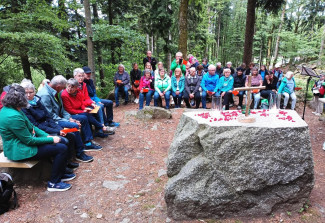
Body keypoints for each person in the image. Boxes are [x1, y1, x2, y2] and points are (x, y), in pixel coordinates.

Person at [0, 85, 72, 192]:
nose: (28, 97)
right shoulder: (13, 116)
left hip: (23, 145)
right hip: (19, 150)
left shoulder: (13, 109)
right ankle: (53, 183)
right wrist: (51, 139)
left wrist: (47, 136)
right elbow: (29, 140)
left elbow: (32, 127)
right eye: (25, 95)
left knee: (60, 144)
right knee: (61, 148)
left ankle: (60, 172)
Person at [21, 80, 93, 163]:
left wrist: (61, 127)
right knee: (72, 130)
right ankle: (76, 155)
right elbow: (38, 125)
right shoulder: (42, 96)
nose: (28, 95)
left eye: (31, 92)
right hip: (45, 131)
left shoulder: (37, 101)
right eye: (26, 93)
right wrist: (59, 130)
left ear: (34, 92)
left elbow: (49, 117)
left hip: (53, 125)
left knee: (72, 131)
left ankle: (73, 157)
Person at [37, 75, 102, 151]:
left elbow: (63, 109)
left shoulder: (58, 92)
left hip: (60, 118)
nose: (65, 89)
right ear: (58, 86)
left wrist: (69, 118)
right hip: (53, 122)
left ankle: (88, 143)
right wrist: (68, 121)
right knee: (74, 126)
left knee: (83, 119)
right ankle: (79, 151)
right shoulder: (45, 95)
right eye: (63, 87)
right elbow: (50, 115)